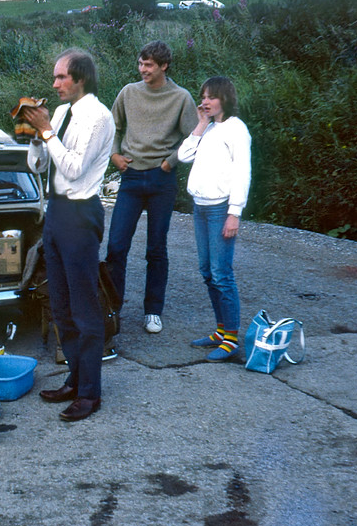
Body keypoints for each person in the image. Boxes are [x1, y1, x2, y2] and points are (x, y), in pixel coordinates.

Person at [20, 49, 115, 422]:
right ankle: (76, 379)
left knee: (84, 306)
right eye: (55, 77)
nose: (55, 83)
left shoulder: (99, 117)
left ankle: (91, 394)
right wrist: (34, 137)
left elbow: (74, 169)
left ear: (81, 79)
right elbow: (41, 165)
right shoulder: (59, 113)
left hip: (80, 212)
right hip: (56, 212)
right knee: (59, 304)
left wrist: (46, 132)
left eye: (61, 78)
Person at [106, 40, 198, 334]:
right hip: (131, 176)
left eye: (148, 65)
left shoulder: (181, 98)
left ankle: (153, 311)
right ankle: (112, 308)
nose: (142, 69)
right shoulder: (129, 92)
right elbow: (113, 126)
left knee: (156, 248)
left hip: (162, 179)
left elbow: (194, 136)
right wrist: (114, 154)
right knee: (116, 246)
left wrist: (171, 162)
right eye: (140, 64)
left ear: (163, 66)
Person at [177, 76, 251, 361]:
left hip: (221, 210)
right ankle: (220, 331)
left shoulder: (236, 130)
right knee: (207, 271)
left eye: (211, 97)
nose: (205, 102)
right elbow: (184, 155)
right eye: (203, 96)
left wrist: (235, 213)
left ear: (225, 99)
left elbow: (243, 172)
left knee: (222, 273)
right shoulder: (207, 129)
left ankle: (231, 338)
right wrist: (199, 124)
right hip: (200, 208)